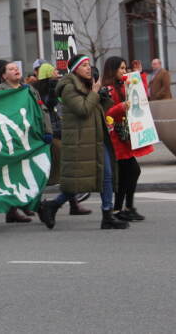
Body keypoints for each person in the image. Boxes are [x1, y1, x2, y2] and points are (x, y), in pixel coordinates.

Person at [38, 54, 128, 230]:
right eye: (84, 65)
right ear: (76, 69)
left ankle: (107, 215)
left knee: (106, 177)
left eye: (89, 65)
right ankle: (52, 206)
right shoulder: (68, 87)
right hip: (81, 141)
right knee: (79, 182)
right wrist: (94, 92)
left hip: (97, 138)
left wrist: (103, 96)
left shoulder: (87, 86)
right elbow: (83, 109)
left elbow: (100, 109)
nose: (89, 68)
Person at [0, 61, 53, 222]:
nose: (16, 70)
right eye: (11, 69)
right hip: (13, 141)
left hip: (32, 138)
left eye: (17, 68)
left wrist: (47, 130)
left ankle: (27, 207)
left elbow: (41, 109)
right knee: (15, 175)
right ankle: (35, 208)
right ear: (4, 76)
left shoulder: (29, 89)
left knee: (34, 171)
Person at [33, 63, 91, 216]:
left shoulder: (54, 88)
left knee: (65, 171)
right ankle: (49, 204)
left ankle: (71, 203)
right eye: (53, 71)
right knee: (62, 171)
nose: (57, 72)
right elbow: (50, 103)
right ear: (47, 74)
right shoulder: (40, 92)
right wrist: (53, 86)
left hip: (59, 133)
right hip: (51, 137)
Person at [102, 56, 154, 222]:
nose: (124, 71)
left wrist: (140, 75)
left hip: (125, 135)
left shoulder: (121, 85)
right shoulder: (107, 89)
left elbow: (141, 97)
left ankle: (124, 207)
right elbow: (106, 113)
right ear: (113, 70)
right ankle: (122, 208)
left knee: (128, 173)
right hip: (116, 136)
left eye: (125, 68)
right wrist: (121, 107)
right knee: (130, 171)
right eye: (121, 69)